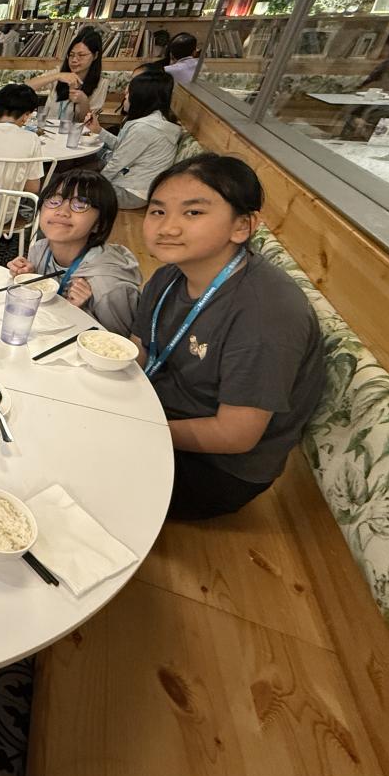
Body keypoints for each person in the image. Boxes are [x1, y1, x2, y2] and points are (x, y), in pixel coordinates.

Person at [132, 154, 325, 519]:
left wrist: (133, 426)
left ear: (242, 226)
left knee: (71, 467)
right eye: (158, 211)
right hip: (157, 410)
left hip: (217, 468)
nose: (167, 227)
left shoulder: (266, 314)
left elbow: (235, 435)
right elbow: (142, 347)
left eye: (193, 212)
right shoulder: (170, 274)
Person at [6, 169, 141, 335]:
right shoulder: (40, 250)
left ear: (100, 224)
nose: (62, 211)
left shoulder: (108, 286)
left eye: (80, 205)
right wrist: (30, 277)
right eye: (54, 200)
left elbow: (120, 344)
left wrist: (82, 313)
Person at [87, 70, 181, 209]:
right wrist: (99, 130)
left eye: (128, 93)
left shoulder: (145, 128)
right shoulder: (155, 120)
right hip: (133, 186)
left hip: (130, 193)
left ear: (140, 97)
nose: (124, 97)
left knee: (72, 188)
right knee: (82, 169)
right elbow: (123, 148)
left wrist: (98, 187)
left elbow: (117, 162)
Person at [28, 28, 108, 123]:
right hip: (47, 128)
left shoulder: (101, 83)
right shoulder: (59, 72)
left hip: (75, 131)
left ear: (95, 55)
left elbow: (88, 123)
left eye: (81, 55)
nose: (74, 60)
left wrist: (83, 101)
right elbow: (26, 87)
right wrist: (57, 76)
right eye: (71, 55)